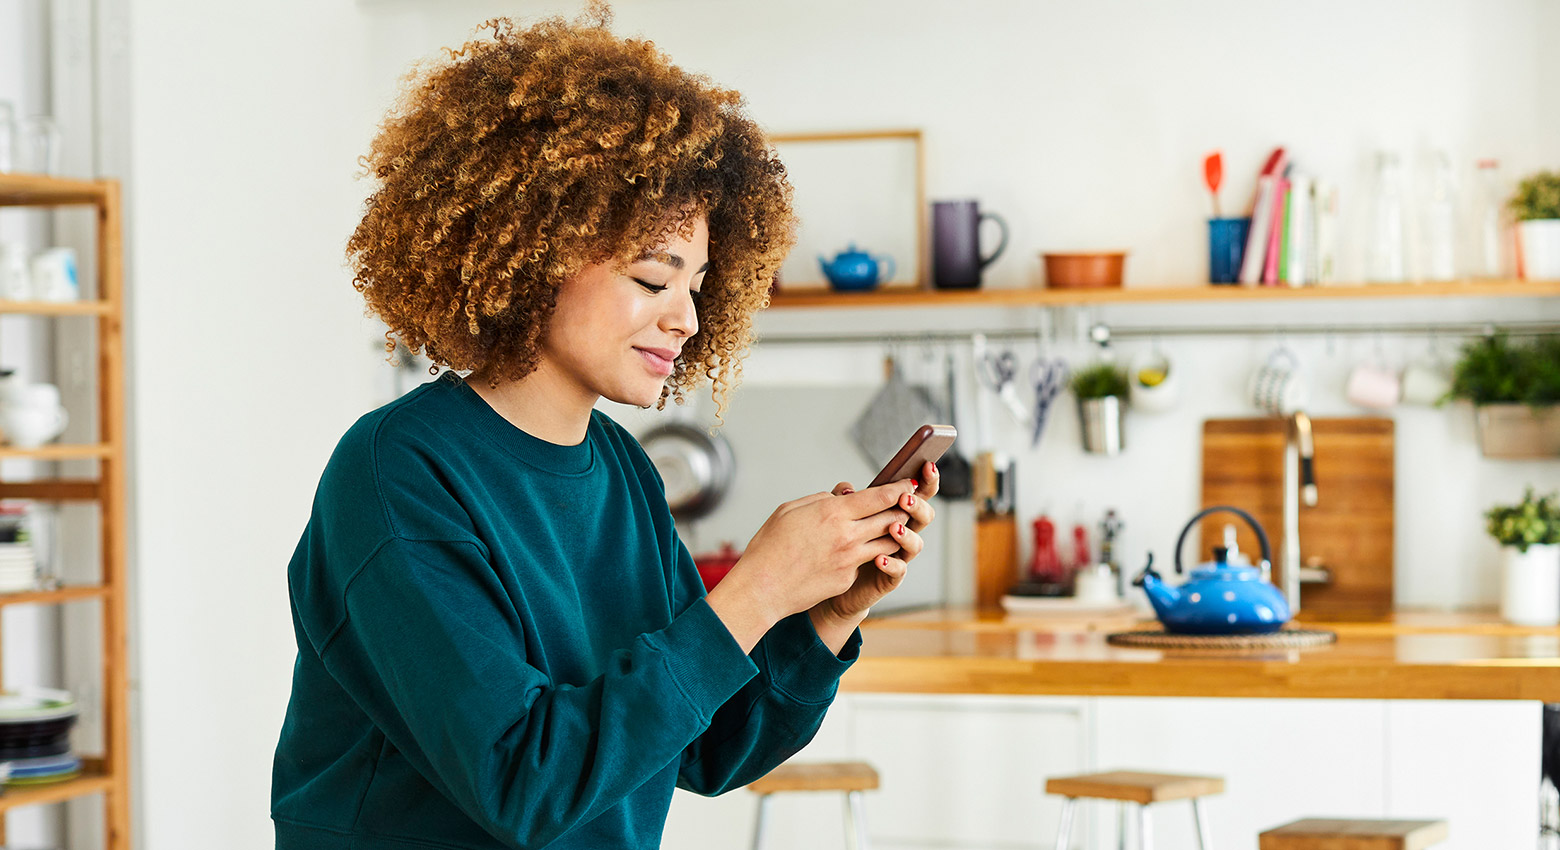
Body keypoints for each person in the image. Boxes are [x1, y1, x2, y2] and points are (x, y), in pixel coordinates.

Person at [270, 7, 941, 849]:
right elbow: (522, 780)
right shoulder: (396, 472)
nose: (687, 318)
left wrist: (829, 614)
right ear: (534, 246)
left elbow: (708, 746)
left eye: (697, 284)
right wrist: (759, 588)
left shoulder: (622, 469)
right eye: (652, 278)